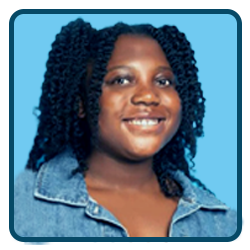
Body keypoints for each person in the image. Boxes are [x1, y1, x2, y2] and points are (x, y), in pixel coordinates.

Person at [12, 18, 240, 245]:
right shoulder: (18, 211)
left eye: (163, 81)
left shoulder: (224, 225)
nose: (148, 96)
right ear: (81, 103)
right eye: (121, 80)